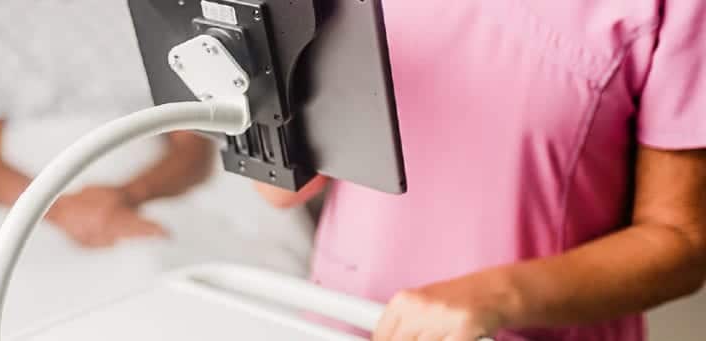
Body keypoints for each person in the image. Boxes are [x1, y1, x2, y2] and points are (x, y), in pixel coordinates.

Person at [257, 1, 705, 340]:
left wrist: (497, 296)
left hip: (530, 329)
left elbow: (680, 242)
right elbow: (281, 190)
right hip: (350, 320)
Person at [0, 0, 216, 248]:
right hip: (25, 223)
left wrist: (128, 196)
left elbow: (192, 145)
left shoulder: (155, 14)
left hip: (157, 204)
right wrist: (64, 211)